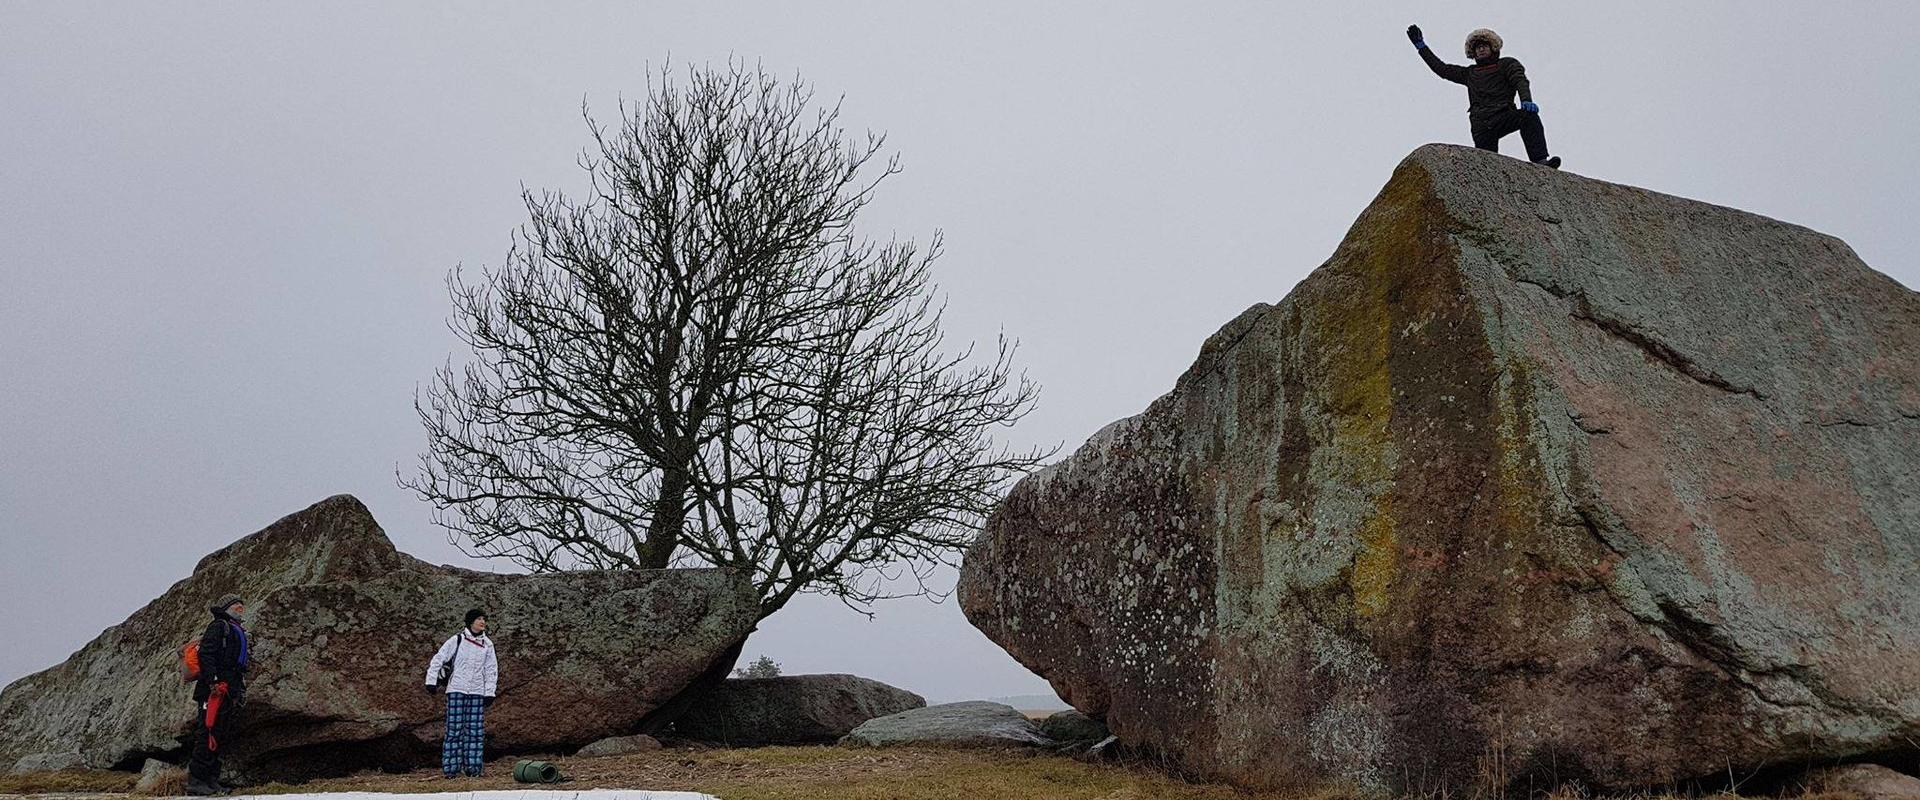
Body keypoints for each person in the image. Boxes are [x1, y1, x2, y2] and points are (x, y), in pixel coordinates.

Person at [1407, 24, 1561, 169]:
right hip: (1481, 125)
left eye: (1484, 46)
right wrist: (1421, 47)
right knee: (1487, 166)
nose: (1480, 50)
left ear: (1492, 47)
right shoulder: (1469, 73)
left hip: (1503, 116)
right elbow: (1442, 69)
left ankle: (1540, 160)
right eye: (1477, 48)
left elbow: (1520, 81)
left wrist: (1526, 100)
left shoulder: (1507, 64)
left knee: (1529, 116)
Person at [423, 608, 498, 778]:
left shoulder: (488, 644)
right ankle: (451, 770)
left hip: (477, 692)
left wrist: (489, 692)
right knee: (454, 730)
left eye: (484, 619)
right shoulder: (456, 640)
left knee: (475, 731)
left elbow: (491, 670)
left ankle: (473, 769)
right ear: (470, 621)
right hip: (456, 689)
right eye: (479, 618)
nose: (483, 622)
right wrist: (431, 681)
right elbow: (438, 659)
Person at [187, 595, 249, 796]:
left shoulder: (235, 629)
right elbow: (207, 654)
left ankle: (211, 780)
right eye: (236, 606)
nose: (240, 609)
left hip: (228, 690)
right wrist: (213, 681)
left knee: (219, 733)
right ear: (226, 608)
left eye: (241, 606)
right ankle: (197, 781)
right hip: (212, 691)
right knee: (207, 732)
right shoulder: (218, 627)